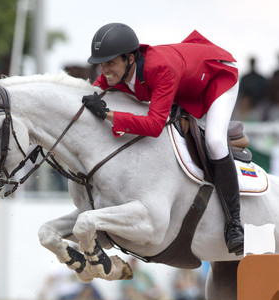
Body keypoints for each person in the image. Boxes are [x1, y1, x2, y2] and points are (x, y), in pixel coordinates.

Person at [82, 23, 244, 256]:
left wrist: (108, 114)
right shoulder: (117, 72)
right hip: (185, 80)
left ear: (129, 58)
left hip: (216, 77)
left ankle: (234, 224)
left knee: (215, 142)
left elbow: (155, 125)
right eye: (101, 64)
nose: (105, 71)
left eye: (110, 63)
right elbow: (91, 94)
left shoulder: (160, 67)